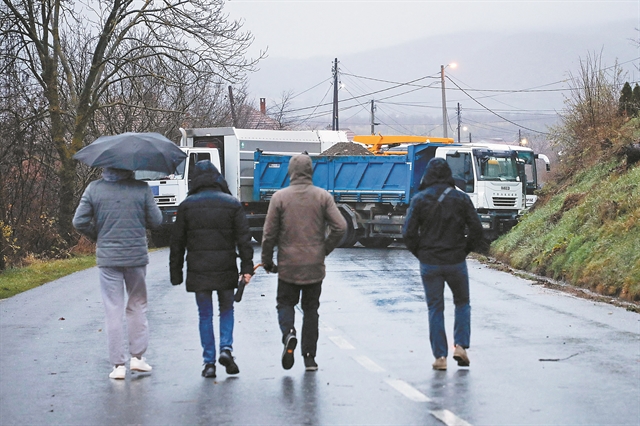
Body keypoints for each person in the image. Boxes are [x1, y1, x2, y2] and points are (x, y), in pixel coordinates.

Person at [73, 167, 163, 380]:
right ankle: (138, 358)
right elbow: (157, 221)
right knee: (137, 304)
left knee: (113, 309)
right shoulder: (141, 189)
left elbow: (79, 221)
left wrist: (99, 236)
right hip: (136, 257)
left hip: (108, 257)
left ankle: (118, 365)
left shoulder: (94, 189)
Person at [261, 153, 346, 371]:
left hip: (288, 265)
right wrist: (323, 250)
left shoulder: (279, 198)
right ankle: (309, 357)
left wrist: (267, 260)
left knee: (285, 303)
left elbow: (269, 233)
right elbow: (340, 227)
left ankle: (289, 333)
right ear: (311, 171)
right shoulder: (322, 197)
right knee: (311, 310)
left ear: (290, 171)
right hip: (313, 265)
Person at [169, 160, 253, 379]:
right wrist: (247, 268)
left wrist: (176, 273)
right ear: (218, 177)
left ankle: (209, 362)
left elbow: (177, 243)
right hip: (225, 266)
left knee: (204, 314)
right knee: (226, 309)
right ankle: (226, 349)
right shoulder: (232, 204)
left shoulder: (187, 206)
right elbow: (244, 240)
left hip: (198, 269)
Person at [402, 157, 484, 371]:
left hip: (430, 262)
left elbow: (408, 233)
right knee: (462, 303)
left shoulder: (419, 199)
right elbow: (477, 230)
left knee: (435, 308)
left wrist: (421, 253)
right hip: (455, 261)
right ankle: (460, 347)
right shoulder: (461, 198)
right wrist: (463, 250)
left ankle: (440, 357)